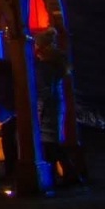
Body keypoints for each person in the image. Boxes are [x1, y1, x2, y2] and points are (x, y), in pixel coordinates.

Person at [34, 28, 80, 184]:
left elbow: (43, 93)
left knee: (51, 147)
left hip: (47, 110)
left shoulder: (44, 67)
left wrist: (38, 114)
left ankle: (66, 176)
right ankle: (64, 176)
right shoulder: (56, 63)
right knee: (53, 144)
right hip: (55, 107)